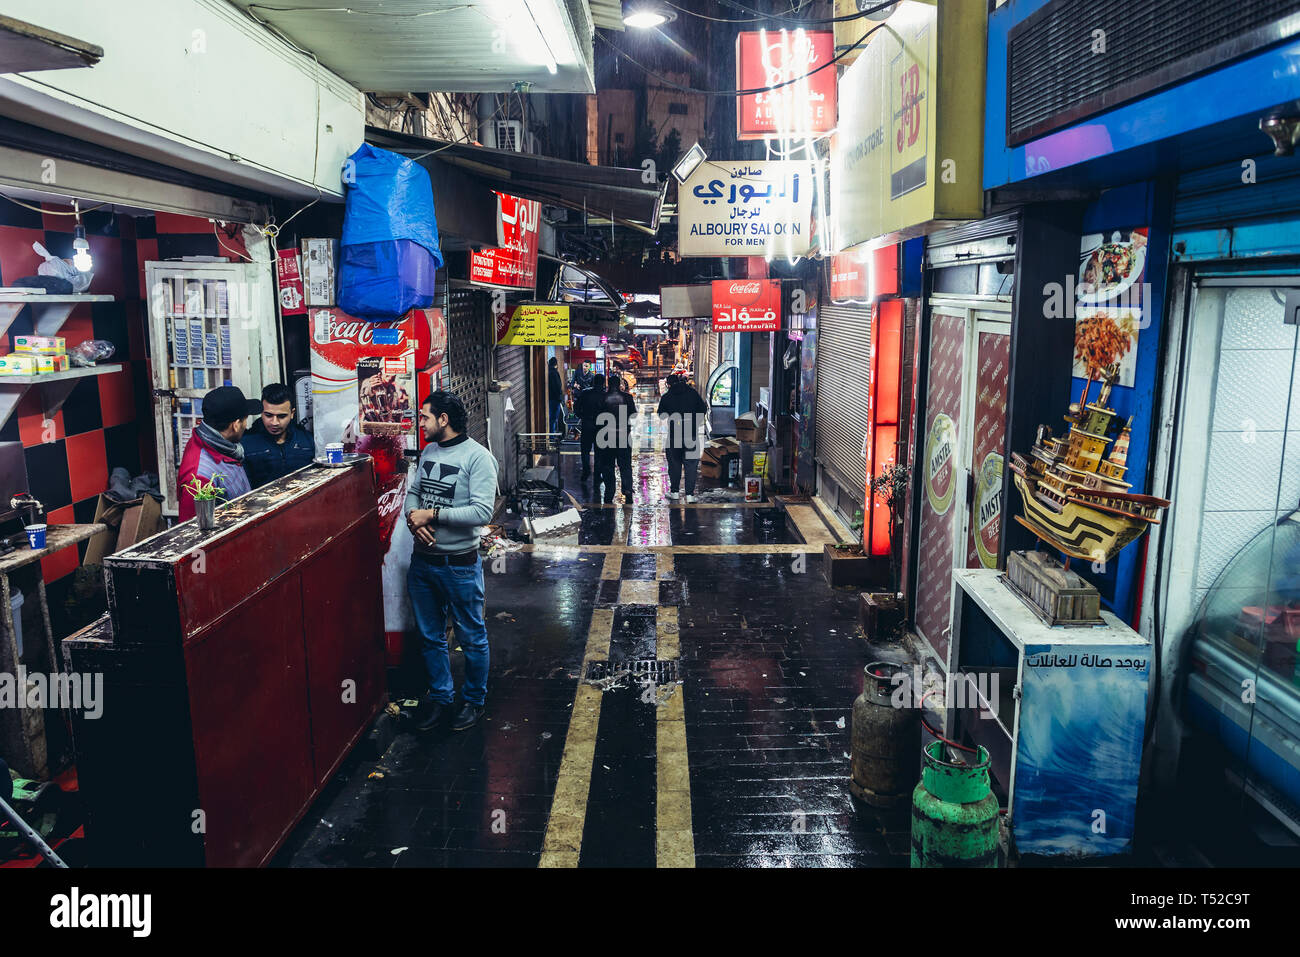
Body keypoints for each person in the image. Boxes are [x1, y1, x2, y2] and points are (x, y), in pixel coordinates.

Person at [404, 391, 498, 733]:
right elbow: (413, 493)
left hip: (459, 565)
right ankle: (441, 699)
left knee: (471, 636)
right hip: (423, 563)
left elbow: (482, 512)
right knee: (430, 637)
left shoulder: (478, 458)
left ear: (443, 420)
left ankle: (474, 701)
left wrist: (434, 514)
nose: (421, 423)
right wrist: (414, 519)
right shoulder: (429, 451)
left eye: (426, 417)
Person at [177, 385, 258, 521]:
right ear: (236, 424)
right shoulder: (200, 480)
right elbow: (194, 533)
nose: (246, 425)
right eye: (245, 420)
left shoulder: (216, 443)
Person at [242, 383, 315, 488]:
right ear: (261, 412)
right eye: (268, 415)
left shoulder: (308, 441)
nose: (274, 422)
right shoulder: (246, 444)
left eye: (281, 416)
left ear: (292, 413)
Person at [657, 374, 708, 503]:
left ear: (668, 384)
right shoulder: (692, 393)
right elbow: (702, 409)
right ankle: (690, 495)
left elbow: (661, 415)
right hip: (690, 433)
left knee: (674, 463)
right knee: (691, 464)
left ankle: (674, 492)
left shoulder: (667, 396)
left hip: (675, 435)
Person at [597, 374, 637, 505]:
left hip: (607, 437)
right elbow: (633, 413)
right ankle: (628, 491)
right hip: (624, 436)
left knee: (608, 466)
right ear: (620, 384)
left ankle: (609, 493)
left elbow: (598, 417)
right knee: (625, 466)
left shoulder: (603, 398)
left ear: (608, 384)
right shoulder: (627, 397)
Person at [574, 373, 607, 482]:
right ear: (603, 383)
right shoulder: (605, 395)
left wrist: (582, 416)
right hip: (601, 427)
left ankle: (586, 471)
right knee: (599, 452)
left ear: (593, 382)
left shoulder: (585, 393)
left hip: (587, 424)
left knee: (585, 450)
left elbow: (577, 408)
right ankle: (598, 475)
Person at [547, 356, 565, 436]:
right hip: (555, 399)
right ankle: (552, 437)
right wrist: (560, 398)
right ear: (556, 365)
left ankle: (552, 435)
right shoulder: (554, 373)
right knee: (553, 418)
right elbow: (557, 386)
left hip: (550, 398)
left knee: (552, 418)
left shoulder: (548, 372)